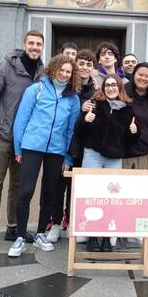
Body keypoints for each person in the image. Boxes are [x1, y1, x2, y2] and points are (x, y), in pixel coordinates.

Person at [7, 55, 81, 257]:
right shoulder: (35, 90)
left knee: (49, 193)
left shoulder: (73, 98)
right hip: (32, 146)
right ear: (54, 68)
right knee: (26, 191)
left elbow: (70, 130)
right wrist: (18, 149)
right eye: (62, 70)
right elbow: (21, 120)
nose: (65, 74)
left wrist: (67, 157)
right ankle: (21, 237)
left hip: (56, 151)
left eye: (69, 72)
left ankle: (40, 233)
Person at [0, 30, 44, 250]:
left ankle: (13, 227)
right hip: (2, 135)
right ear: (24, 44)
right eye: (31, 43)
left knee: (18, 185)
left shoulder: (42, 72)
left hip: (24, 140)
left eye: (39, 44)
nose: (35, 47)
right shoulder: (7, 67)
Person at [77, 74, 140, 252]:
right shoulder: (95, 104)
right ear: (103, 87)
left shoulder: (128, 109)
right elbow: (79, 133)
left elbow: (131, 141)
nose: (111, 88)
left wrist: (134, 132)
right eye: (108, 85)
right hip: (93, 155)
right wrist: (84, 120)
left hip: (114, 159)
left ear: (120, 88)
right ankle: (91, 236)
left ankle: (105, 236)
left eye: (114, 85)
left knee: (111, 198)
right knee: (91, 195)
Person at [55, 49, 99, 233]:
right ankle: (54, 221)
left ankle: (71, 217)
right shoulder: (67, 88)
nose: (84, 67)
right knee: (58, 185)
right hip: (63, 143)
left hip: (84, 146)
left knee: (77, 186)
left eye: (89, 64)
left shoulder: (96, 90)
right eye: (81, 63)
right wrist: (80, 109)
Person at [124, 62, 148, 237]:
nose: (143, 78)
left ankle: (139, 232)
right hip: (122, 153)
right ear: (134, 75)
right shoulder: (122, 92)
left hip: (145, 154)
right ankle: (121, 229)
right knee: (122, 194)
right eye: (140, 74)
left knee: (142, 196)